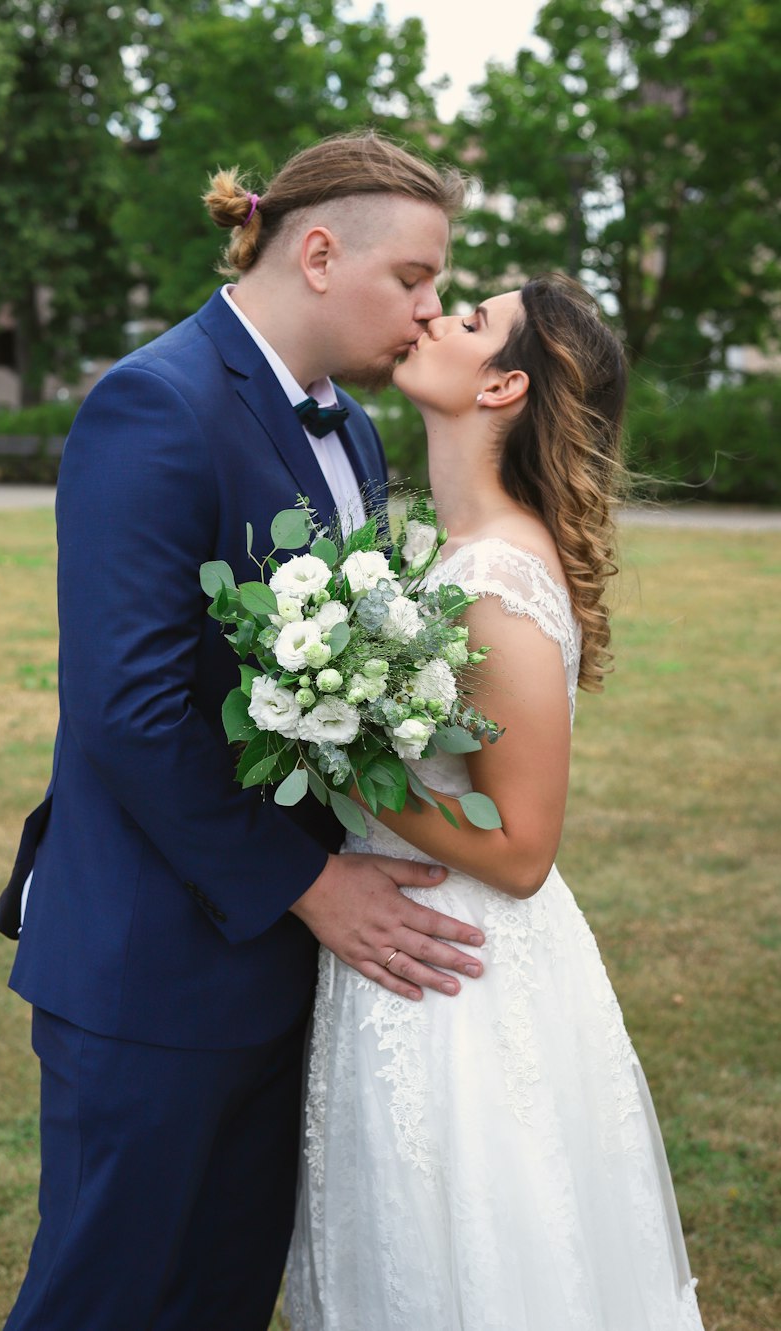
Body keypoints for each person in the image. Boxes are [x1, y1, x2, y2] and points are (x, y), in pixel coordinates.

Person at [0, 133, 493, 1331]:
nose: (429, 311)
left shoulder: (355, 432)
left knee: (220, 1295)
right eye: (414, 278)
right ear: (319, 252)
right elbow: (132, 710)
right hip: (149, 961)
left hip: (282, 972)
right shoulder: (151, 403)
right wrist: (314, 884)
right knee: (107, 1296)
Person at [284, 274, 706, 1330]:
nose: (431, 315)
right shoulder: (427, 544)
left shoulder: (502, 577)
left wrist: (334, 761)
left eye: (468, 320)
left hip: (458, 966)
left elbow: (521, 846)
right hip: (395, 944)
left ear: (503, 384)